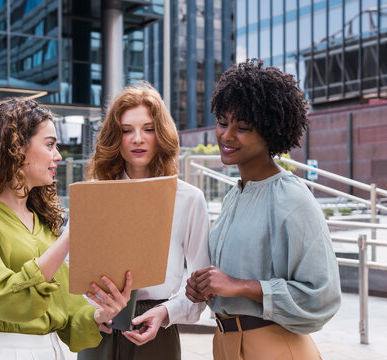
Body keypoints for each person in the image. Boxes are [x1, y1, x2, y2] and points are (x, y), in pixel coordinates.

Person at [0, 98, 132, 359]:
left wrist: (103, 313)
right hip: (3, 351)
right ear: (16, 147)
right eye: (50, 144)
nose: (58, 156)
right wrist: (71, 236)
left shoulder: (41, 221)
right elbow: (2, 296)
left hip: (51, 349)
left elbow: (68, 307)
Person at [186, 59, 342, 360]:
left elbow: (321, 296)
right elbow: (228, 281)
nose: (227, 135)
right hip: (225, 344)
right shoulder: (236, 194)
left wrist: (240, 286)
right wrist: (204, 287)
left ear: (270, 132)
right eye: (222, 122)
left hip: (273, 346)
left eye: (242, 127)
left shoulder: (293, 198)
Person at [77, 82, 210, 360]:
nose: (138, 138)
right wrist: (90, 313)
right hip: (99, 327)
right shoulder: (93, 195)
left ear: (161, 134)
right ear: (116, 138)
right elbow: (68, 271)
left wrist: (166, 312)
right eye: (127, 131)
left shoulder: (189, 199)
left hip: (158, 329)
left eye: (148, 129)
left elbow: (201, 285)